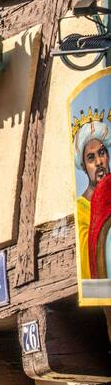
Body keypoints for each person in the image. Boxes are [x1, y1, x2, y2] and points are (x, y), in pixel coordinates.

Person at [74, 116, 110, 278]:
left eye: (101, 153)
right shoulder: (80, 208)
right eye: (91, 158)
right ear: (84, 166)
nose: (98, 162)